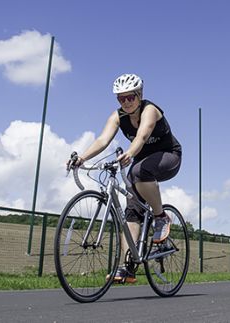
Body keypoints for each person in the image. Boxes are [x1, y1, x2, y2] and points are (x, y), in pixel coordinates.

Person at [71, 73, 182, 283]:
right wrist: (82, 157)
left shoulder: (150, 110)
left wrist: (130, 153)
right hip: (141, 161)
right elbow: (103, 139)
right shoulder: (118, 116)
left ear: (139, 95)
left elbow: (141, 135)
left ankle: (160, 218)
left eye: (130, 97)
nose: (126, 102)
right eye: (121, 98)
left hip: (169, 157)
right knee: (131, 211)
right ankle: (126, 267)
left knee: (138, 172)